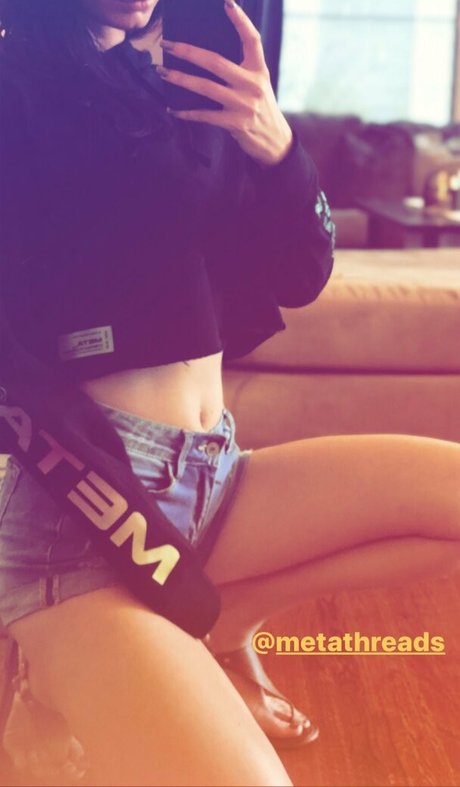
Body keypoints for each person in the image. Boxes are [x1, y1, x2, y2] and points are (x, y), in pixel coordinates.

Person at [0, 1, 459, 785]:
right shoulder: (17, 83)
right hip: (85, 524)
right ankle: (43, 672)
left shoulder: (193, 79)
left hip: (216, 474)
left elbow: (301, 274)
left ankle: (228, 616)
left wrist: (279, 149)